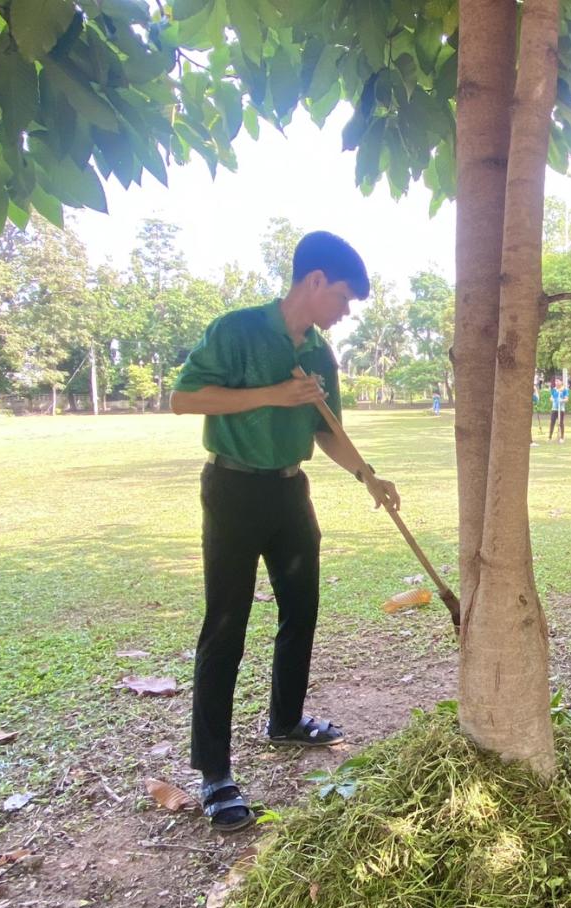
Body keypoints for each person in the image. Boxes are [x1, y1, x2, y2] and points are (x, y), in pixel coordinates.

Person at [171, 231, 401, 833]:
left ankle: (286, 720)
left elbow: (325, 429)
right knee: (226, 625)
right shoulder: (236, 330)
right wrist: (275, 393)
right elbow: (184, 398)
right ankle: (215, 772)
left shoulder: (322, 355)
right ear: (315, 281)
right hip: (233, 489)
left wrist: (367, 476)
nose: (346, 312)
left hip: (289, 490)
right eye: (345, 298)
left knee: (302, 610)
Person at [548, 377, 568, 443]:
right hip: (554, 408)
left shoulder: (564, 390)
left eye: (558, 381)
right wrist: (552, 399)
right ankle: (550, 437)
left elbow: (566, 399)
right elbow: (551, 398)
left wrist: (562, 400)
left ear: (561, 382)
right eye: (555, 381)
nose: (556, 383)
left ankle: (562, 438)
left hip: (561, 409)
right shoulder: (554, 389)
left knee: (561, 423)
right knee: (552, 423)